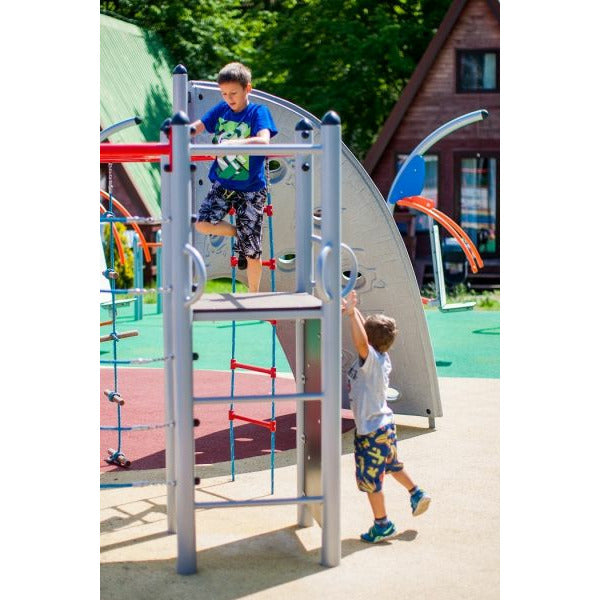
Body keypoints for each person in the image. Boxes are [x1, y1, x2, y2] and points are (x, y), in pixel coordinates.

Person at [342, 290, 431, 543]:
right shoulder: (382, 357)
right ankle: (416, 492)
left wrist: (351, 316)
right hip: (385, 427)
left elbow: (360, 342)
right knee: (391, 465)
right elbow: (364, 338)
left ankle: (382, 525)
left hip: (371, 432)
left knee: (372, 481)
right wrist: (352, 309)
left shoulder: (368, 359)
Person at [191, 62, 278, 292]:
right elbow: (197, 127)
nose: (229, 98)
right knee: (202, 224)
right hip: (223, 184)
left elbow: (263, 141)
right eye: (224, 94)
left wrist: (231, 144)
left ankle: (253, 296)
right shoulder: (221, 110)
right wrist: (179, 130)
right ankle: (238, 232)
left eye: (233, 93)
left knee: (252, 251)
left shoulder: (258, 112)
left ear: (247, 89)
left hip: (251, 189)